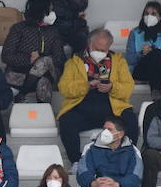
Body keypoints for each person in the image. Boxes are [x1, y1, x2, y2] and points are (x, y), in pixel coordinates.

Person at [57, 28, 138, 162]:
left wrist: (112, 87)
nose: (100, 53)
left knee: (131, 120)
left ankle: (127, 159)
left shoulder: (118, 61)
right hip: (81, 108)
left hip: (112, 109)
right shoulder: (74, 62)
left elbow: (128, 87)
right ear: (89, 44)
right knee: (66, 121)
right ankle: (76, 162)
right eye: (97, 49)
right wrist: (86, 86)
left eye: (104, 50)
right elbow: (64, 88)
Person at [75, 117, 143, 187]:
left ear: (120, 134)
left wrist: (117, 185)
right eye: (104, 129)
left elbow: (136, 177)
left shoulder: (133, 151)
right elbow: (83, 172)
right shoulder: (90, 148)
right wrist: (93, 183)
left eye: (109, 129)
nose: (104, 132)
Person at [2, 0, 67, 104]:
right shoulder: (19, 28)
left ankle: (22, 93)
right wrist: (29, 59)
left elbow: (59, 59)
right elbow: (6, 56)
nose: (52, 13)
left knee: (44, 61)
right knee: (43, 82)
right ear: (41, 11)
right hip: (21, 72)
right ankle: (39, 116)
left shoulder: (53, 31)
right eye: (50, 10)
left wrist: (40, 57)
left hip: (48, 72)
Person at [124, 1, 161, 98]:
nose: (149, 17)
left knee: (156, 53)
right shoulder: (135, 33)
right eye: (147, 14)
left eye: (153, 14)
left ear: (160, 17)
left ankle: (156, 92)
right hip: (141, 70)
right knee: (155, 54)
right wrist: (142, 53)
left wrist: (152, 51)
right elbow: (129, 58)